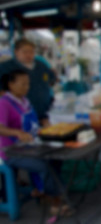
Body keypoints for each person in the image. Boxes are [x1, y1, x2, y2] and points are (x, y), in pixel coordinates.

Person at [0, 69, 71, 216]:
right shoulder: (4, 103)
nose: (27, 87)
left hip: (31, 145)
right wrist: (16, 133)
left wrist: (44, 123)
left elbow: (31, 121)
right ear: (10, 84)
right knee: (43, 165)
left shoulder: (25, 101)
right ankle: (55, 200)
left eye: (28, 83)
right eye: (23, 84)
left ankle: (46, 192)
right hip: (11, 151)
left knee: (57, 157)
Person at [0, 39, 56, 127]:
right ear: (16, 52)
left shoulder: (40, 65)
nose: (28, 55)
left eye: (31, 52)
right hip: (20, 118)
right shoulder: (5, 67)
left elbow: (51, 79)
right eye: (25, 52)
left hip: (44, 114)